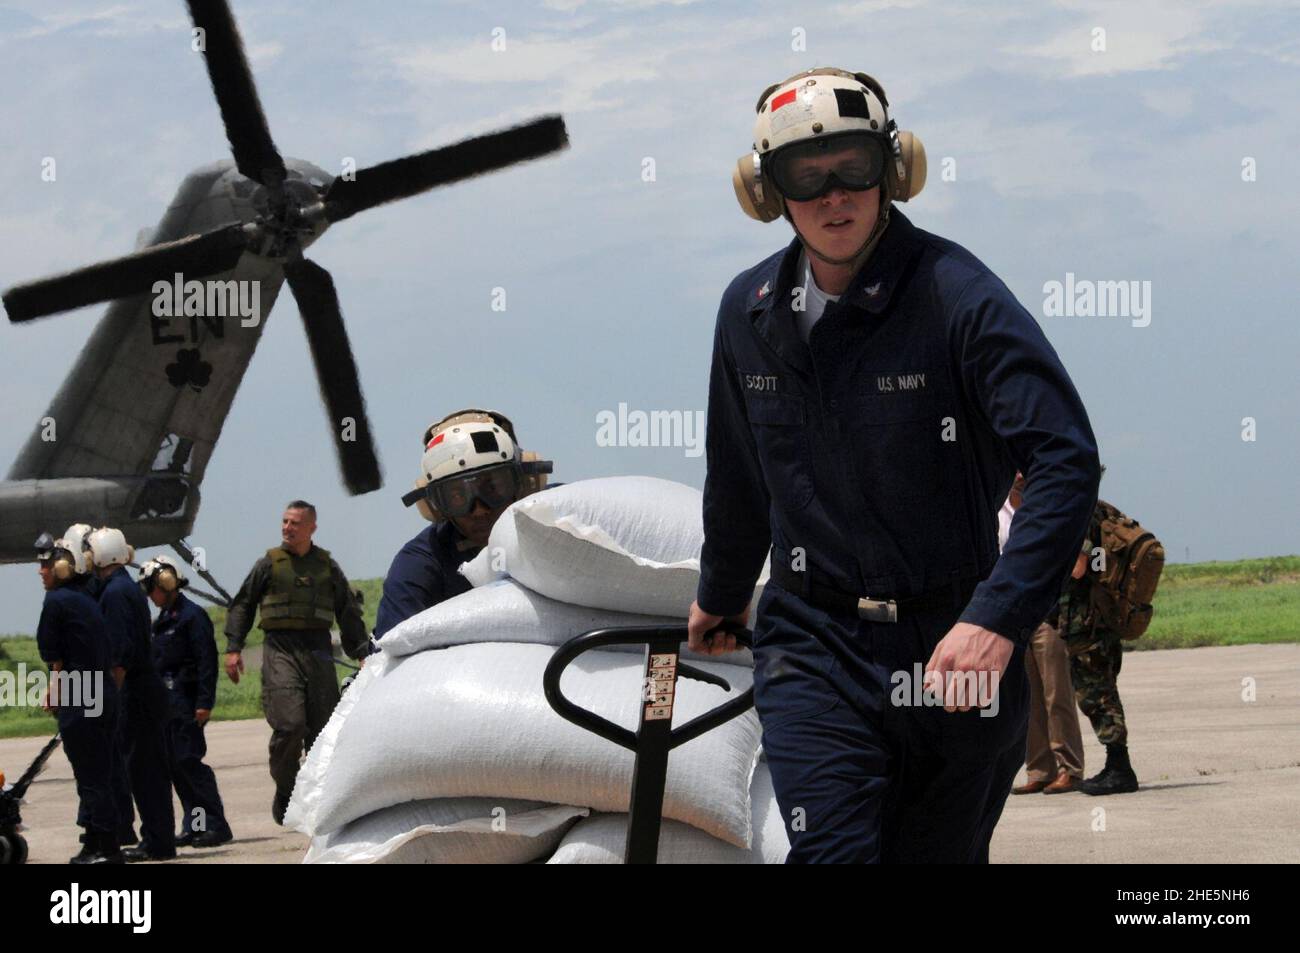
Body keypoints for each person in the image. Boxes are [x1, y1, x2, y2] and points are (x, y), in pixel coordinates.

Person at [687, 67, 1101, 862]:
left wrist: (996, 617)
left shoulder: (958, 296)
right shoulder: (749, 315)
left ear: (895, 168)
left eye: (853, 167)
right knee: (834, 854)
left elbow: (1063, 457)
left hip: (956, 645)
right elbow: (738, 475)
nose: (834, 196)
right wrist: (721, 593)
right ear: (766, 192)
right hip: (816, 642)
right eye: (805, 177)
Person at [224, 500, 368, 824]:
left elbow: (347, 610)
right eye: (285, 521)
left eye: (295, 523)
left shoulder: (326, 566)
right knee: (290, 726)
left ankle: (319, 804)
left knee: (323, 734)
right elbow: (243, 604)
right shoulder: (269, 564)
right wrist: (233, 648)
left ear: (311, 528)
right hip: (280, 650)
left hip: (317, 650)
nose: (287, 528)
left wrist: (361, 653)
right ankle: (287, 789)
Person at [374, 409, 554, 639]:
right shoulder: (420, 564)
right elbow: (390, 648)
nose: (479, 509)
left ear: (525, 483)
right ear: (435, 507)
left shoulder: (563, 516)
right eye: (458, 496)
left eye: (493, 487)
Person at [88, 526, 177, 862]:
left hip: (136, 693)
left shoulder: (114, 593)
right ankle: (157, 838)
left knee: (145, 771)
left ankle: (157, 842)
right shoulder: (125, 587)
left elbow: (120, 653)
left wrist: (112, 697)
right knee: (147, 769)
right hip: (146, 690)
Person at [33, 532, 121, 864]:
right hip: (103, 693)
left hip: (80, 696)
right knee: (101, 774)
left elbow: (48, 648)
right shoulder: (86, 596)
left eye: (45, 566)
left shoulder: (56, 601)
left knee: (90, 777)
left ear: (61, 568)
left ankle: (103, 849)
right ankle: (101, 843)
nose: (40, 572)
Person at [139, 555, 234, 847]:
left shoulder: (193, 617)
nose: (149, 596)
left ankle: (216, 826)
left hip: (187, 703)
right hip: (168, 705)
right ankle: (196, 825)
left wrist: (204, 702)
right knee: (175, 767)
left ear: (164, 584)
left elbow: (207, 662)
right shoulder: (164, 620)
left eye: (150, 588)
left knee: (189, 762)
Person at [1003, 474, 1085, 795]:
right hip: (1012, 616)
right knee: (1029, 698)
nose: (1020, 476)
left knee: (1056, 694)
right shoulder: (997, 513)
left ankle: (1070, 768)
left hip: (1047, 615)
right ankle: (1039, 769)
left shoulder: (1047, 508)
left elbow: (1076, 563)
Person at [61, 523, 137, 847]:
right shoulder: (99, 588)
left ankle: (109, 826)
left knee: (101, 761)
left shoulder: (93, 591)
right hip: (90, 685)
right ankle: (103, 822)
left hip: (93, 686)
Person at [1060, 502, 1139, 795]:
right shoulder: (1105, 510)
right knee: (1104, 690)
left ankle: (1120, 769)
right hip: (1103, 615)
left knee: (1097, 694)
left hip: (1087, 619)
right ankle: (1116, 765)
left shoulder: (1079, 511)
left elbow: (1081, 567)